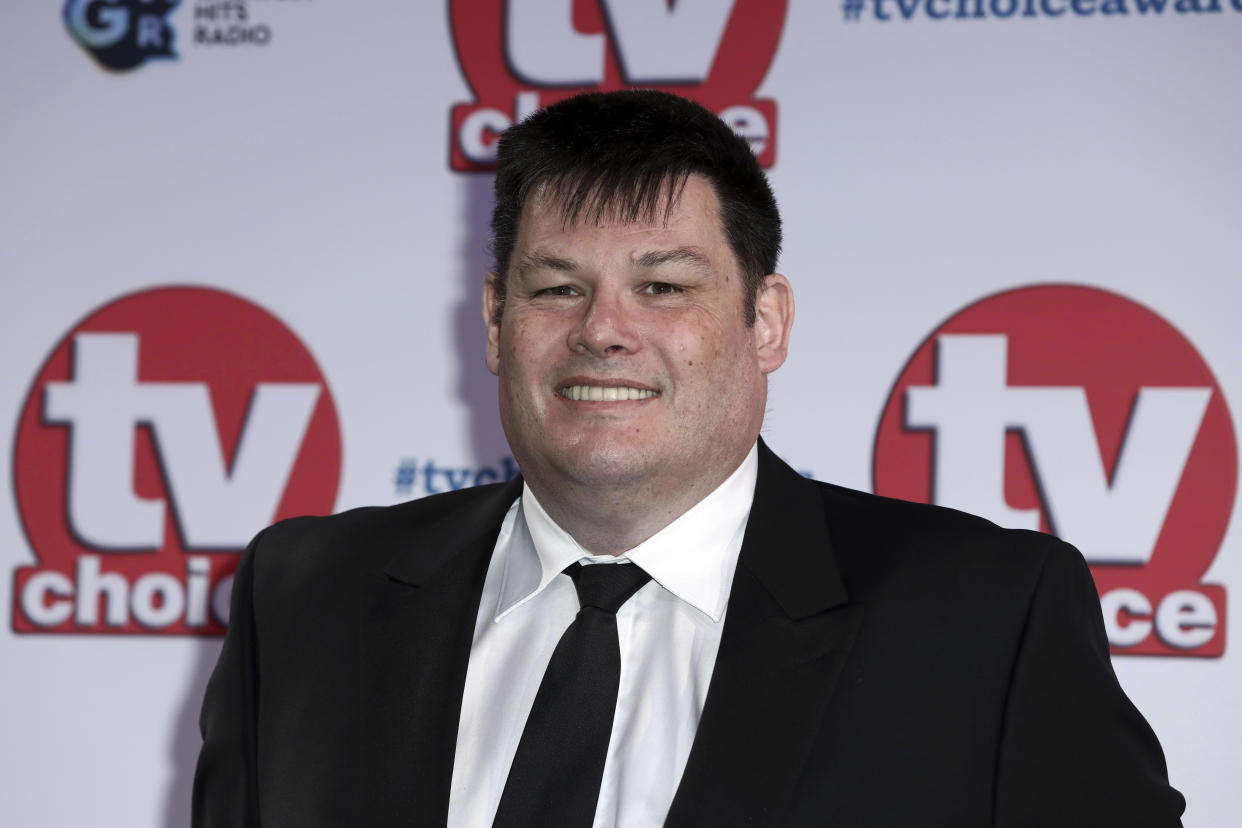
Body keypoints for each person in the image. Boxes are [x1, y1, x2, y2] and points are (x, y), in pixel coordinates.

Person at [193, 90, 1185, 827]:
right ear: (495, 322)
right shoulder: (304, 599)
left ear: (766, 319)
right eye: (556, 289)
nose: (604, 332)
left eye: (663, 287)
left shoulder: (982, 619)